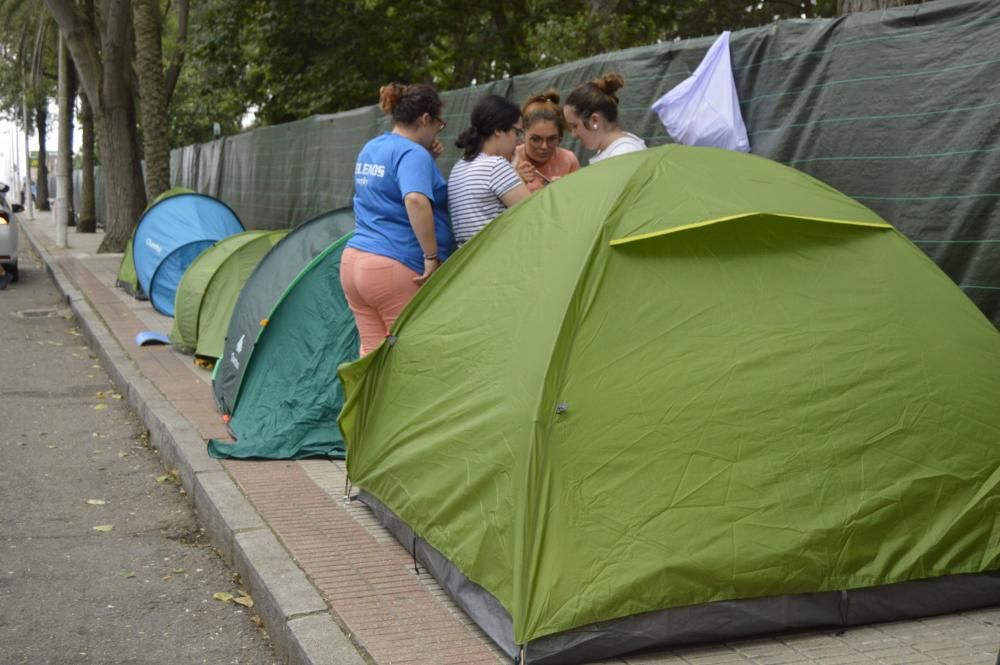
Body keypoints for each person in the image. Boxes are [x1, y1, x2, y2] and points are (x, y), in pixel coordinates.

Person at [340, 81, 455, 355]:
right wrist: (431, 257)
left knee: (372, 352)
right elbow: (414, 199)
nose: (438, 131)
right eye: (438, 124)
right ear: (426, 118)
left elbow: (386, 189)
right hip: (395, 264)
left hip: (355, 263)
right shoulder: (412, 153)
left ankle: (363, 400)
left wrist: (426, 158)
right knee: (410, 355)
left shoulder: (373, 146)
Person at [448, 95, 531, 246]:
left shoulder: (459, 166)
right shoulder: (496, 166)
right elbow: (533, 213)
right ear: (498, 130)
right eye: (516, 132)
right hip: (495, 259)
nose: (518, 141)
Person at [563, 73, 646, 164]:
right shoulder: (614, 150)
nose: (573, 135)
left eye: (575, 126)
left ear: (595, 120)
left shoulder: (622, 154)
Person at [512, 90, 580, 192]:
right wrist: (514, 181)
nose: (544, 146)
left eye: (552, 139)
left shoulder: (569, 160)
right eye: (536, 139)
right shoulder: (509, 160)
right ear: (523, 134)